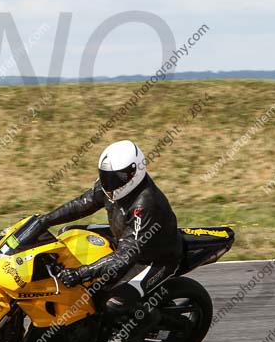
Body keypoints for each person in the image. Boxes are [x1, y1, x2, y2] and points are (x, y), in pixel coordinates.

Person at [37, 140, 183, 332]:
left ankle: (150, 325)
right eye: (105, 176)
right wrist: (45, 220)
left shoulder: (145, 204)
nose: (108, 183)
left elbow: (127, 255)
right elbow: (83, 203)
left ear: (133, 173)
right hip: (123, 236)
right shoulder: (112, 186)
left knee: (113, 304)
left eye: (115, 177)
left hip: (152, 259)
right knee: (68, 233)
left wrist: (81, 273)